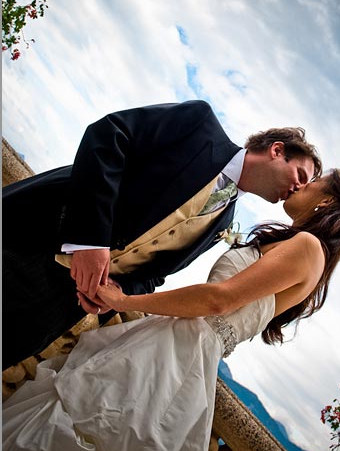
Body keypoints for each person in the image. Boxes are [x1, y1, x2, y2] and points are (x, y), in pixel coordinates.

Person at [3, 169, 340, 451]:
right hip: (173, 349)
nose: (303, 185)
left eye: (314, 182)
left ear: (326, 200)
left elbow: (219, 300)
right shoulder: (306, 251)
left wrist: (125, 297)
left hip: (176, 355)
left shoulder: (309, 248)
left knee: (75, 436)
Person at [3, 100, 320, 369]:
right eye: (300, 175)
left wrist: (114, 294)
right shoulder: (200, 124)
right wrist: (90, 241)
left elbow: (156, 272)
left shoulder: (223, 222)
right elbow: (109, 136)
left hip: (63, 305)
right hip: (31, 241)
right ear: (277, 150)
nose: (298, 189)